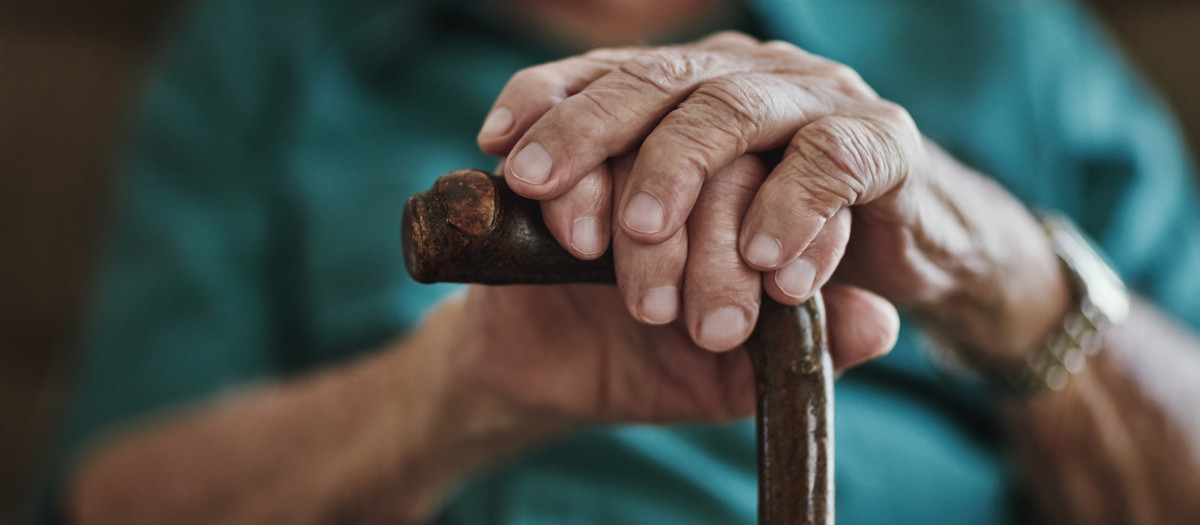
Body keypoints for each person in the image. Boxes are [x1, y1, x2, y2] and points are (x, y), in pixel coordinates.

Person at [31, 0, 1200, 523]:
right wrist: (448, 396)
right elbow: (115, 496)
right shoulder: (265, 42)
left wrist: (1001, 273)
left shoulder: (1005, 37)